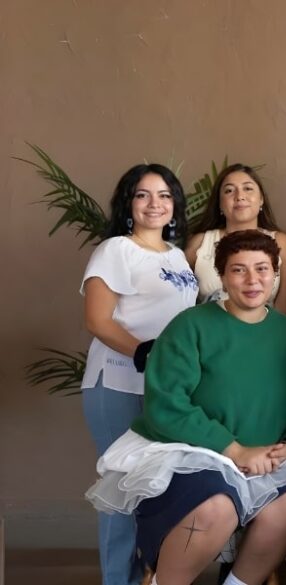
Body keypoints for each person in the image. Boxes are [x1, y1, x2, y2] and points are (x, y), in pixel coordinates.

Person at [85, 229, 286, 585]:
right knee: (216, 507)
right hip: (194, 451)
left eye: (262, 269)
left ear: (275, 274)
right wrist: (234, 449)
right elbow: (167, 405)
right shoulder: (189, 327)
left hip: (268, 457)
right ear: (222, 276)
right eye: (239, 270)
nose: (253, 280)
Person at [80, 163, 197, 585]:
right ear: (128, 204)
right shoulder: (116, 250)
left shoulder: (178, 255)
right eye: (143, 194)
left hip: (165, 390)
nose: (155, 204)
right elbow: (97, 320)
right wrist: (144, 353)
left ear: (175, 205)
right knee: (121, 489)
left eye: (164, 195)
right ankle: (118, 580)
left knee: (155, 488)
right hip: (117, 383)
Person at [185, 163, 286, 314]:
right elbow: (180, 299)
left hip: (263, 334)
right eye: (229, 190)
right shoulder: (199, 243)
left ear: (261, 199)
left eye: (248, 188)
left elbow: (285, 308)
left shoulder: (282, 243)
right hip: (207, 333)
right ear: (219, 203)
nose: (239, 196)